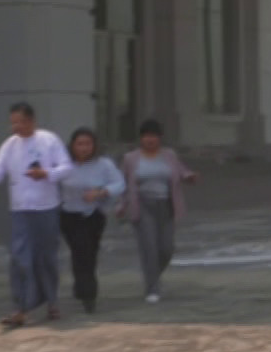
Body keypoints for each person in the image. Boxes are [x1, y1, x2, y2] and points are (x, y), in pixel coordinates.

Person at [0, 103, 73, 327]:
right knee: (20, 257)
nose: (16, 126)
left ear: (32, 121)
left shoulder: (49, 140)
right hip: (20, 209)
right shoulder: (10, 145)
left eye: (21, 122)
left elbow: (66, 167)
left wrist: (46, 173)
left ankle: (51, 301)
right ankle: (21, 307)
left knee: (46, 258)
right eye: (13, 122)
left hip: (46, 208)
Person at [120, 119, 197, 305]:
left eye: (153, 136)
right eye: (146, 136)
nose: (150, 140)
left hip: (166, 205)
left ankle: (153, 276)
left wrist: (190, 177)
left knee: (166, 248)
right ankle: (152, 288)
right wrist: (121, 205)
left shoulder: (169, 155)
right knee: (149, 247)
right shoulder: (131, 158)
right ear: (141, 138)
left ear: (160, 137)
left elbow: (181, 171)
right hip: (143, 205)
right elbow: (123, 183)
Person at [58, 127, 125, 314]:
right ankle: (86, 292)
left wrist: (101, 192)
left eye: (88, 144)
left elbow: (119, 184)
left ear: (94, 146)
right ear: (72, 146)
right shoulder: (64, 165)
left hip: (93, 215)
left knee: (89, 253)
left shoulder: (103, 164)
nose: (84, 148)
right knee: (80, 251)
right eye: (80, 144)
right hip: (69, 215)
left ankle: (84, 290)